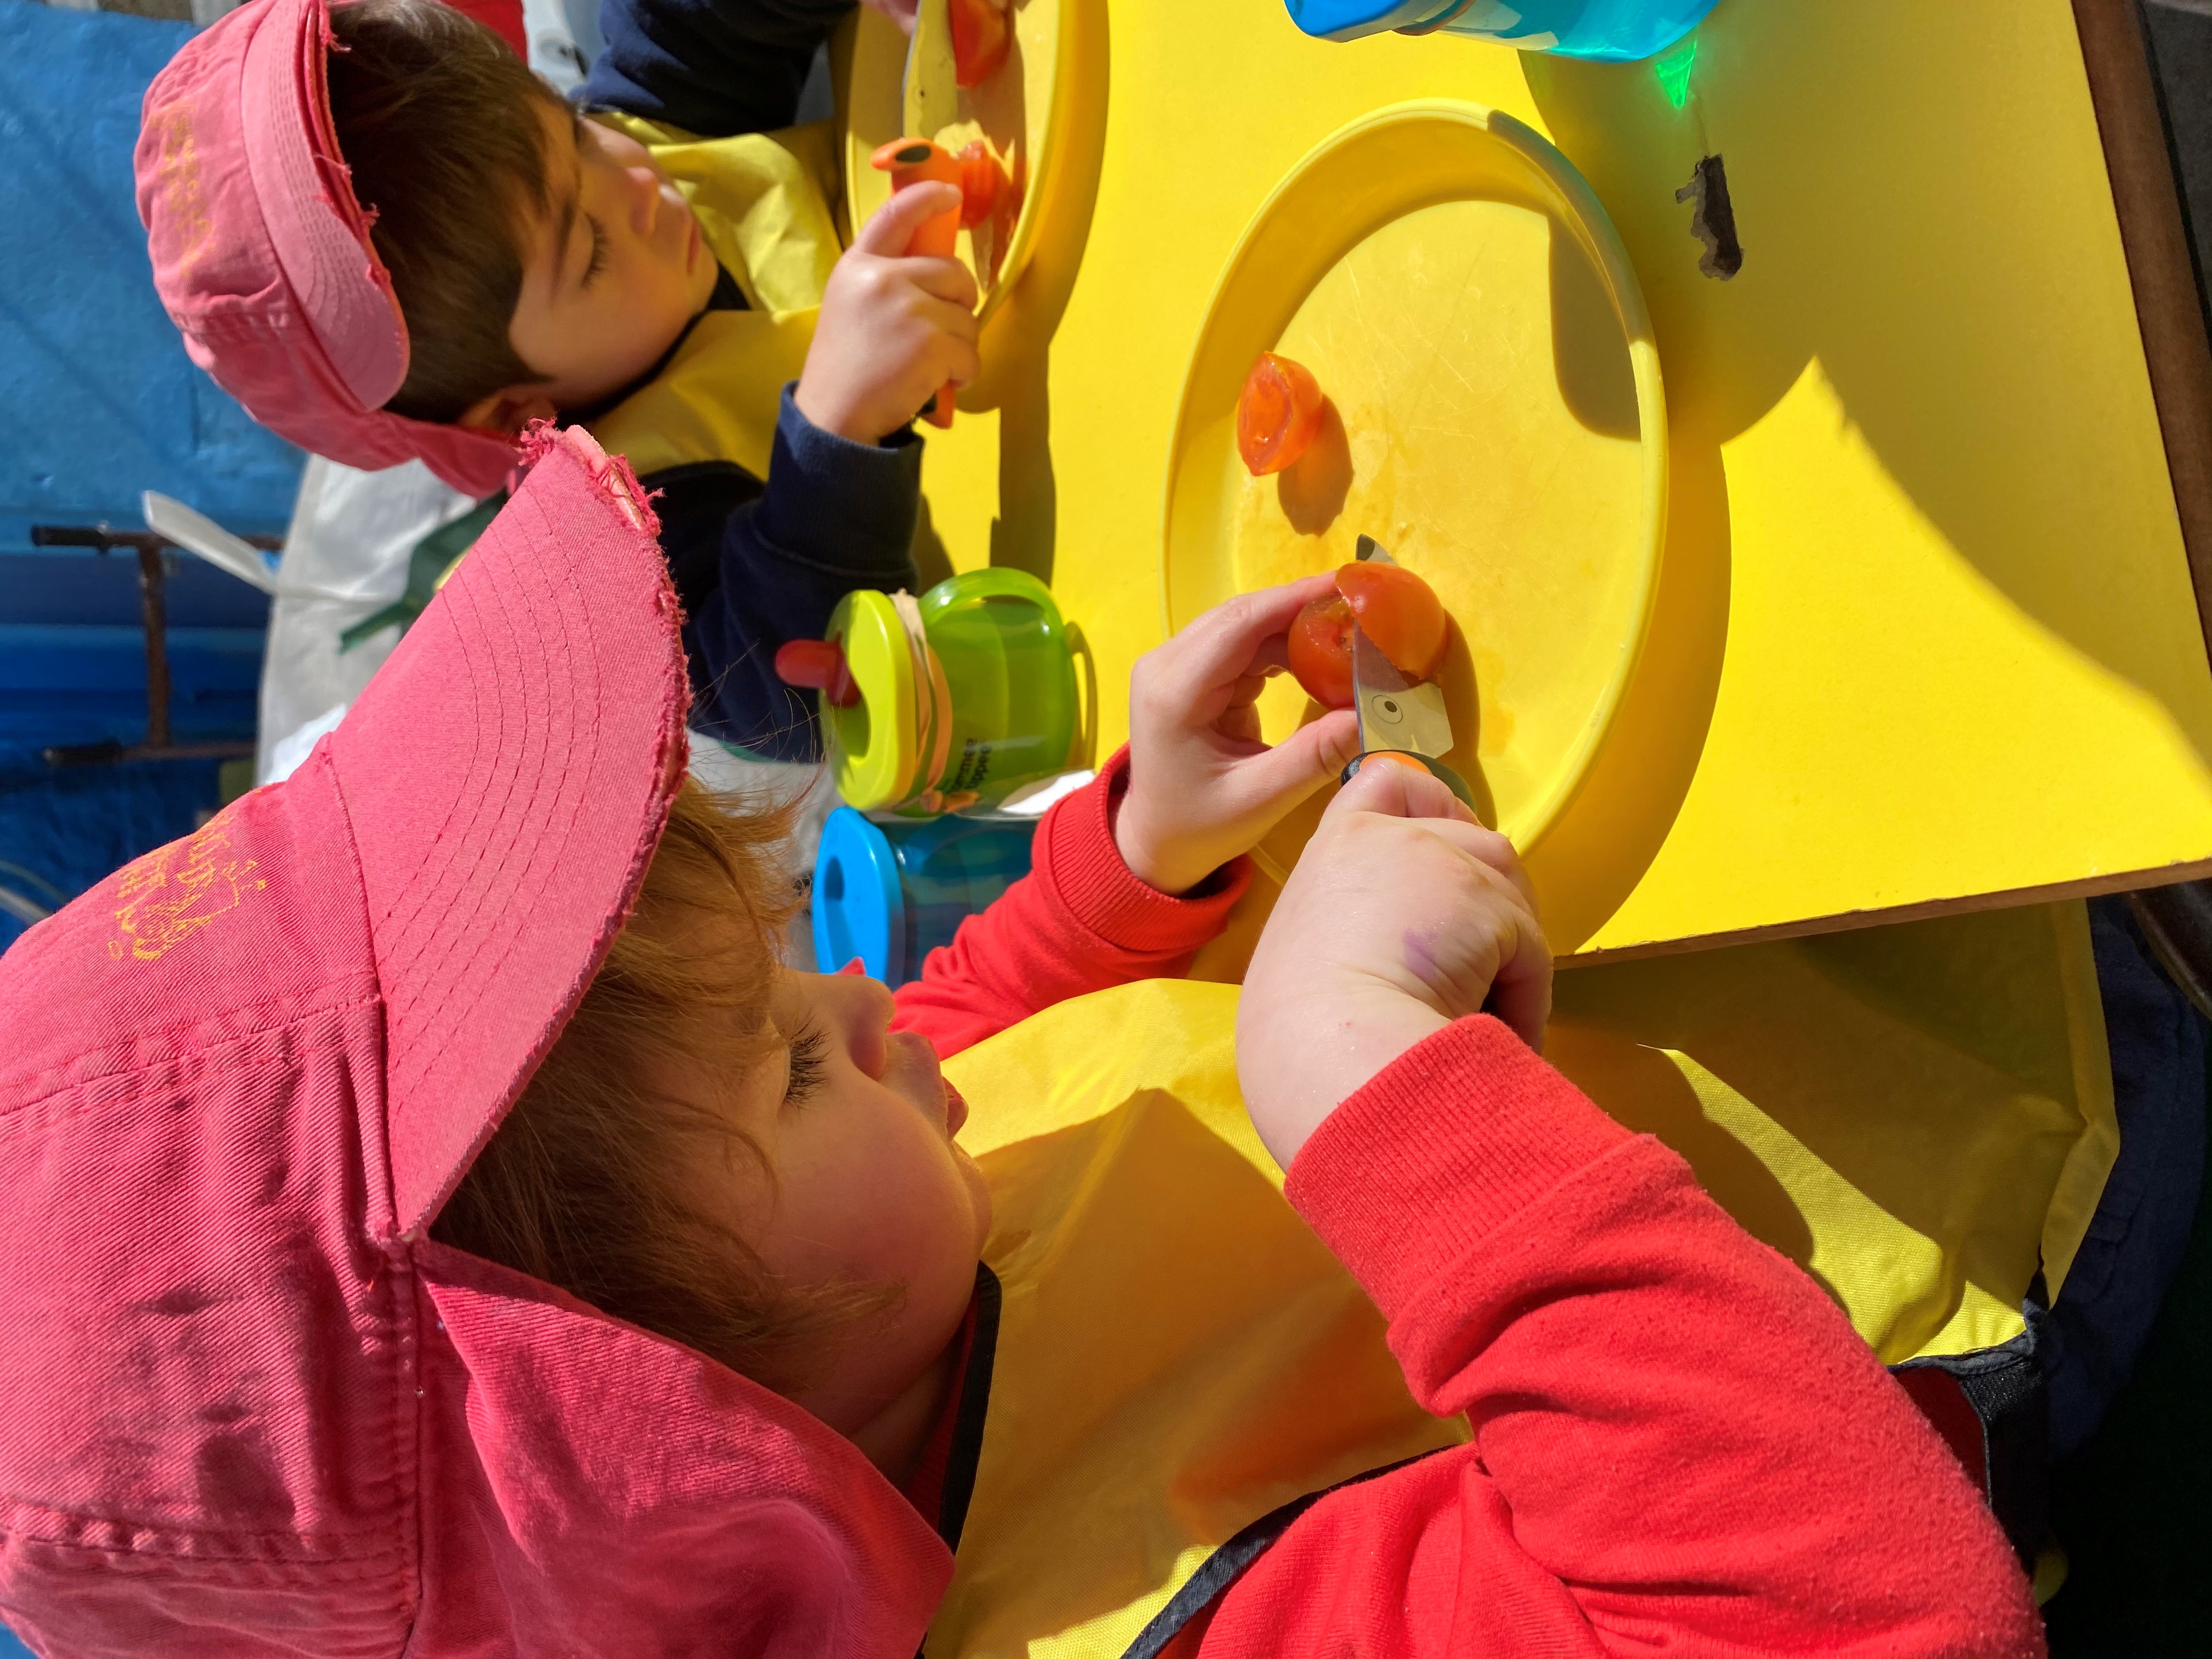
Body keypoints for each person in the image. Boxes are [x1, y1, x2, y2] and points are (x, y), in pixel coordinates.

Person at [0, 425, 2041, 1656]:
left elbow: (986, 1012)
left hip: (1758, 974)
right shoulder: (1169, 1616)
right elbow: (1864, 1614)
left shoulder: (862, 1270)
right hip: (1997, 1186)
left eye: (801, 981)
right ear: (684, 1462)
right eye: (799, 1063)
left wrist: (1133, 853)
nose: (875, 1004)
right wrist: (1371, 1083)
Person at [135, 0, 970, 758]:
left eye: (575, 135)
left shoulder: (651, 140)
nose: (638, 181)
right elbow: (786, 699)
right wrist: (837, 433)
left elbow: (694, 21)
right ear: (516, 410)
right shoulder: (626, 525)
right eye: (590, 251)